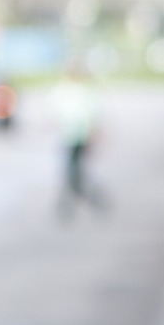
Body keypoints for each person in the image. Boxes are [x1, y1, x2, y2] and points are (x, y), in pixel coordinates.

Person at [52, 60, 106, 220]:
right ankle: (71, 203)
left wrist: (94, 133)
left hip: (80, 137)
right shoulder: (65, 90)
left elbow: (92, 114)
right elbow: (55, 110)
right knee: (71, 171)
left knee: (73, 172)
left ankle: (77, 201)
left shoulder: (83, 91)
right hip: (68, 136)